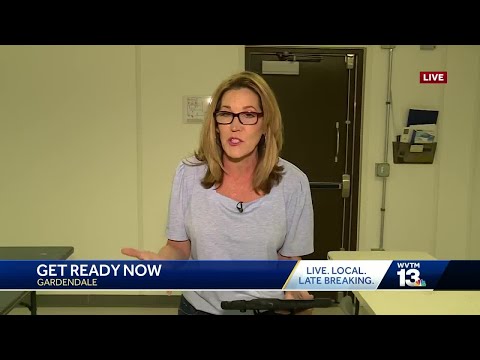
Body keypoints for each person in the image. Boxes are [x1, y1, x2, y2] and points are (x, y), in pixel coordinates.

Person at [121, 70, 315, 315]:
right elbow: (178, 247)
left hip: (266, 308)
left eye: (248, 115)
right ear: (215, 125)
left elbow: (289, 260)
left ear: (266, 124)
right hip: (200, 307)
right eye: (226, 114)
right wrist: (164, 264)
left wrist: (296, 292)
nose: (235, 126)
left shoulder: (293, 182)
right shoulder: (189, 173)